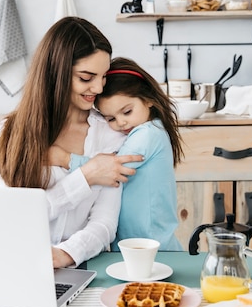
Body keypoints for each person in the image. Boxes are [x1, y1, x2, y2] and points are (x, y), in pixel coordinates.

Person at [0, 17, 143, 269]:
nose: (97, 88)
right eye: (86, 78)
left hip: (84, 265)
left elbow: (105, 222)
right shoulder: (11, 132)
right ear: (56, 73)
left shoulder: (112, 134)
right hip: (19, 263)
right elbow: (16, 215)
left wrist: (68, 254)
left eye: (104, 77)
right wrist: (86, 176)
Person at [53, 57, 184, 251]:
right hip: (132, 247)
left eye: (127, 111)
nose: (121, 123)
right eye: (111, 118)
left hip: (155, 247)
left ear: (148, 99)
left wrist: (64, 158)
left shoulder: (149, 133)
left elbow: (110, 168)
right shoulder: (136, 132)